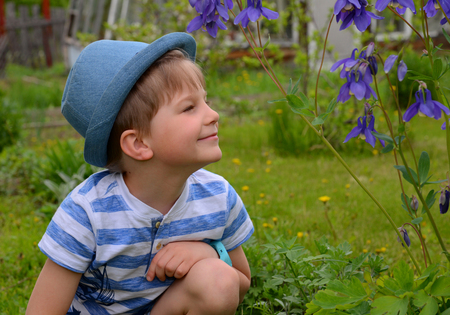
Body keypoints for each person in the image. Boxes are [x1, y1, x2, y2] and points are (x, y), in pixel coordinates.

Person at [26, 32, 254, 315]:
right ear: (139, 144)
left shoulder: (218, 198)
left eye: (205, 101)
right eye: (190, 108)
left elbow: (240, 284)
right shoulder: (89, 213)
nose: (213, 114)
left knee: (217, 280)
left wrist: (209, 253)